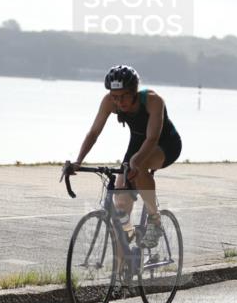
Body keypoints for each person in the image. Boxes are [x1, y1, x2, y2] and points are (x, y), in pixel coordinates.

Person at [70, 65, 182, 249]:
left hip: (166, 144)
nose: (119, 101)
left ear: (134, 91)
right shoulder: (109, 101)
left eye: (123, 96)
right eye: (115, 96)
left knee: (140, 165)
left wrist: (136, 162)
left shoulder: (153, 101)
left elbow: (153, 137)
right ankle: (126, 262)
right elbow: (93, 133)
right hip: (137, 144)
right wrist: (78, 161)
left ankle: (155, 221)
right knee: (121, 202)